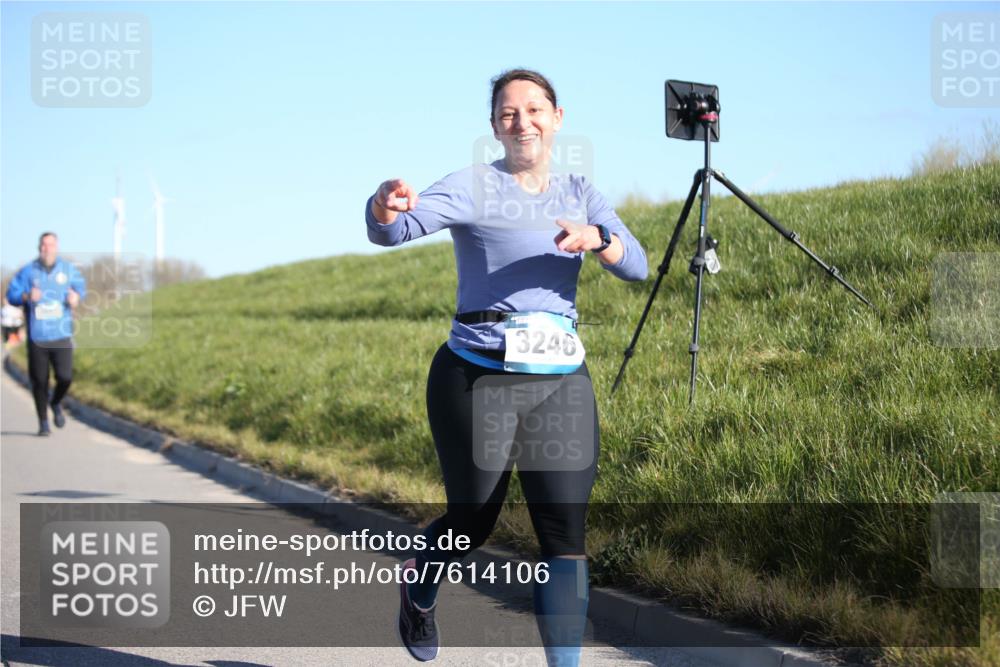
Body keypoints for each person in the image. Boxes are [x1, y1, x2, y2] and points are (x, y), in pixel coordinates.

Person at [366, 69, 648, 665]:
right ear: (495, 125)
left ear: (557, 118)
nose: (523, 121)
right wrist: (383, 207)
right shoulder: (472, 186)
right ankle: (419, 584)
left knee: (565, 537)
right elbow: (395, 231)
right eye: (509, 113)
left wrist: (598, 237)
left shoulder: (581, 192)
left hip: (559, 381)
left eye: (535, 109)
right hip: (476, 374)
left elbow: (637, 266)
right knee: (473, 522)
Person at [6, 232, 86, 436]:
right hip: (37, 336)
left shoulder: (68, 270)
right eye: (43, 245)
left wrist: (75, 297)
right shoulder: (28, 271)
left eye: (50, 245)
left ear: (56, 247)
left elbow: (81, 289)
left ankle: (56, 401)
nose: (46, 249)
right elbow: (12, 294)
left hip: (61, 334)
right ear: (38, 247)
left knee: (65, 377)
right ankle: (43, 422)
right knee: (40, 381)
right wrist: (25, 295)